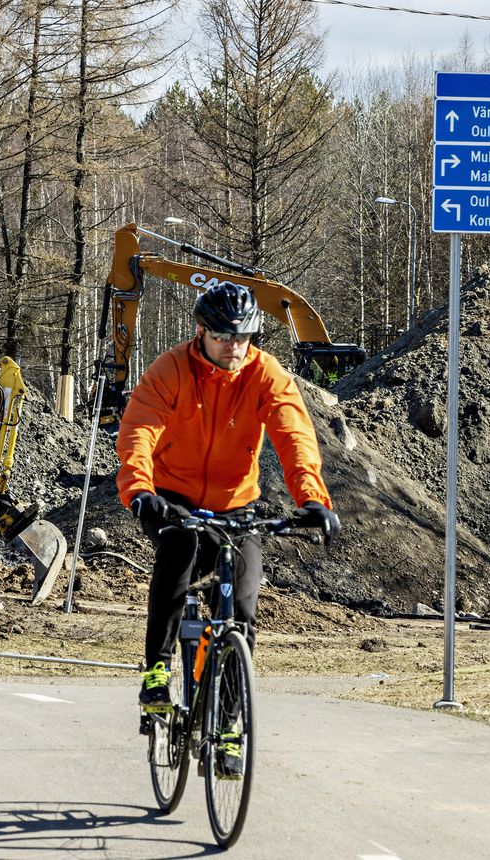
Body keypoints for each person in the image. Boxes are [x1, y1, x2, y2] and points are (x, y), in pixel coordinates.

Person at [116, 281, 341, 769]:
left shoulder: (266, 374)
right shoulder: (171, 369)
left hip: (237, 506)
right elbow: (139, 429)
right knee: (177, 556)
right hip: (172, 498)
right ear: (201, 332)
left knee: (242, 608)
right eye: (223, 338)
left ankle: (230, 727)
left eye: (244, 338)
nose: (234, 348)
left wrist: (312, 500)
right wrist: (140, 491)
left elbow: (294, 436)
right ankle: (157, 671)